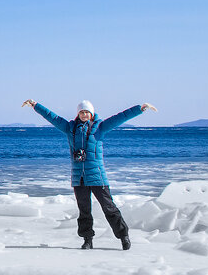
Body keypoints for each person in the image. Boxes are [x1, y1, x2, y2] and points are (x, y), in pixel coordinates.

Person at [22, 98, 158, 250]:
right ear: (78, 114)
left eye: (87, 112)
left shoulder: (100, 127)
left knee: (109, 208)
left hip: (97, 176)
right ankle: (87, 240)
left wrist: (140, 108)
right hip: (79, 178)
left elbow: (120, 117)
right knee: (84, 211)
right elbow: (52, 117)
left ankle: (123, 236)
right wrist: (35, 105)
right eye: (81, 112)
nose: (84, 114)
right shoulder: (70, 128)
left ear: (91, 114)